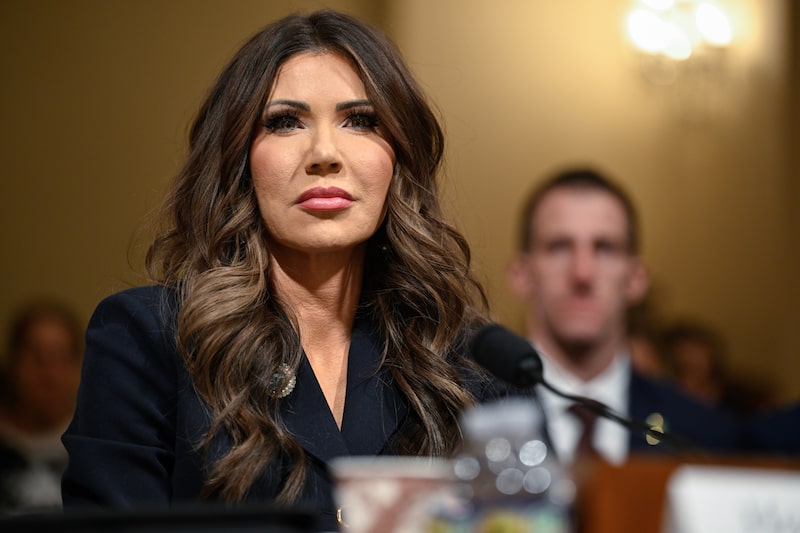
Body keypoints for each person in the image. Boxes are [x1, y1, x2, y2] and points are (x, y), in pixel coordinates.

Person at [61, 10, 514, 531]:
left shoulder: (471, 366)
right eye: (284, 122)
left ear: (399, 158)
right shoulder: (147, 340)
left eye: (361, 120)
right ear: (240, 160)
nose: (324, 153)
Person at [506, 168, 741, 466]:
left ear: (636, 279)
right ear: (521, 275)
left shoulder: (705, 436)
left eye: (605, 248)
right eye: (559, 247)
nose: (582, 273)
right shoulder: (461, 416)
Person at [0, 300, 83, 514]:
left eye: (61, 357)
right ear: (13, 363)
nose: (49, 374)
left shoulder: (94, 445)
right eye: (36, 357)